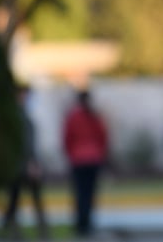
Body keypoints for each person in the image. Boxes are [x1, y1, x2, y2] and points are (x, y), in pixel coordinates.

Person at [0, 85, 50, 240]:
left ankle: (11, 232)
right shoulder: (18, 118)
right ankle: (12, 232)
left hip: (20, 166)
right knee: (18, 201)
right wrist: (31, 163)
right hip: (21, 167)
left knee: (17, 201)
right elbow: (24, 145)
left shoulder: (20, 116)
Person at [62, 90, 109, 238]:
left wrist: (70, 154)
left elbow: (67, 137)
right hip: (93, 159)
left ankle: (80, 224)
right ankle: (87, 223)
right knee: (90, 193)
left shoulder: (73, 117)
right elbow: (103, 137)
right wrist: (100, 154)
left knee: (79, 192)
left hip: (78, 159)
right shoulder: (95, 116)